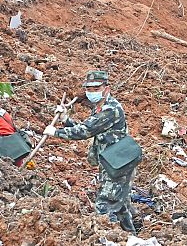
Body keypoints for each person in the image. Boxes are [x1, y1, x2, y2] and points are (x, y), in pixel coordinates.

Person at [42, 71, 138, 233]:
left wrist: (56, 132)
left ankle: (107, 241)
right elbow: (90, 129)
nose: (92, 92)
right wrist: (66, 120)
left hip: (119, 164)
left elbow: (86, 131)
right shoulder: (99, 108)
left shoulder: (110, 109)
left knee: (105, 206)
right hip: (111, 162)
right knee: (120, 207)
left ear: (106, 89)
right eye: (89, 89)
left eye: (96, 88)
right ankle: (132, 240)